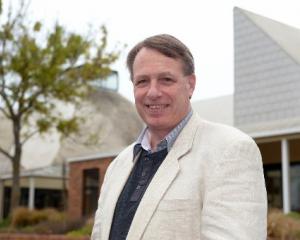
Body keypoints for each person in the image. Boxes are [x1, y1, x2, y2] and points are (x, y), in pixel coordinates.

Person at [91, 34, 267, 240]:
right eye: (142, 81)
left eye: (166, 80)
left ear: (190, 84)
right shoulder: (118, 165)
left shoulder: (230, 150)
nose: (153, 92)